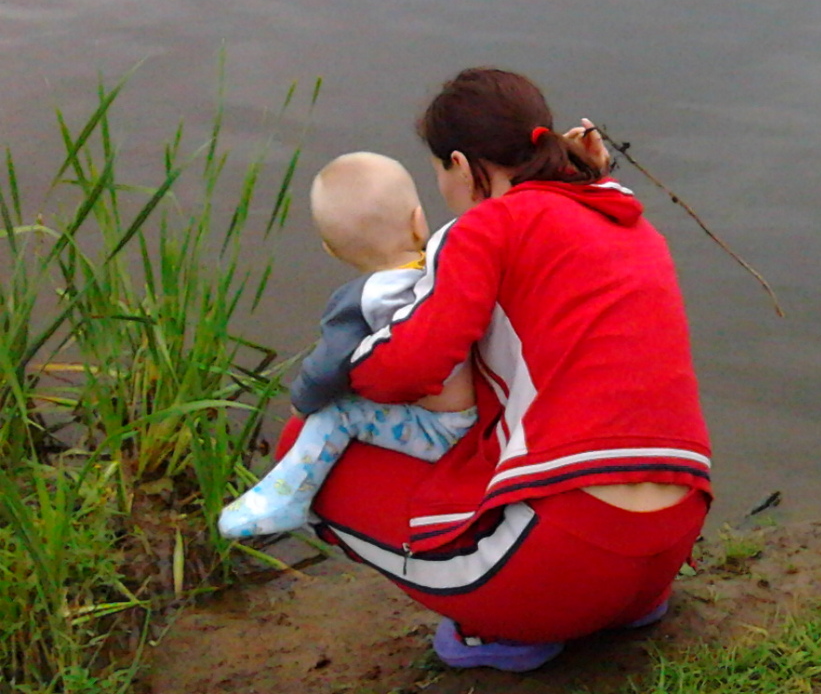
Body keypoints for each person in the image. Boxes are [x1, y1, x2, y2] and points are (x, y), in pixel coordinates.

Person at [282, 67, 712, 673]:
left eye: (437, 172)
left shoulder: (488, 226)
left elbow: (408, 368)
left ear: (460, 164)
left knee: (306, 443)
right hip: (670, 543)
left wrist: (340, 370)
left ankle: (504, 629)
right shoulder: (631, 224)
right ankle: (622, 602)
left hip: (562, 560)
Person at [217, 153, 476, 539]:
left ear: (331, 251)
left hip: (440, 430)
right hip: (481, 409)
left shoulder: (362, 301)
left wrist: (302, 402)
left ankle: (286, 497)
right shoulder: (448, 262)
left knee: (336, 413)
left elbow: (327, 368)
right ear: (419, 221)